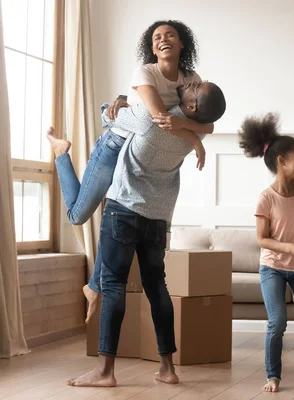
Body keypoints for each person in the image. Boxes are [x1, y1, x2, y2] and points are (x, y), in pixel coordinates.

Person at [47, 20, 214, 323]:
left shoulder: (191, 78)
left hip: (140, 152)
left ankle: (94, 286)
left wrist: (193, 133)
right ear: (152, 47)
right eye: (156, 38)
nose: (163, 40)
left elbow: (207, 121)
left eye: (170, 35)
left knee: (113, 216)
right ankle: (61, 152)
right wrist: (193, 138)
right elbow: (158, 118)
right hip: (116, 144)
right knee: (78, 215)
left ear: (182, 43)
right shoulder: (145, 72)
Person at [65, 83, 227, 388]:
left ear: (191, 106)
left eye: (195, 88)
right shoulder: (197, 133)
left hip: (123, 210)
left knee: (113, 285)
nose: (189, 83)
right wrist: (193, 133)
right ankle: (167, 367)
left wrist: (121, 100)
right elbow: (208, 123)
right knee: (157, 288)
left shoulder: (152, 120)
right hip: (157, 218)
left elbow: (107, 116)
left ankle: (104, 371)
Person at [238, 113, 294, 393]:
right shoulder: (266, 198)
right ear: (281, 161)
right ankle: (273, 376)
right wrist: (292, 247)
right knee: (278, 322)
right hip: (272, 267)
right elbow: (262, 239)